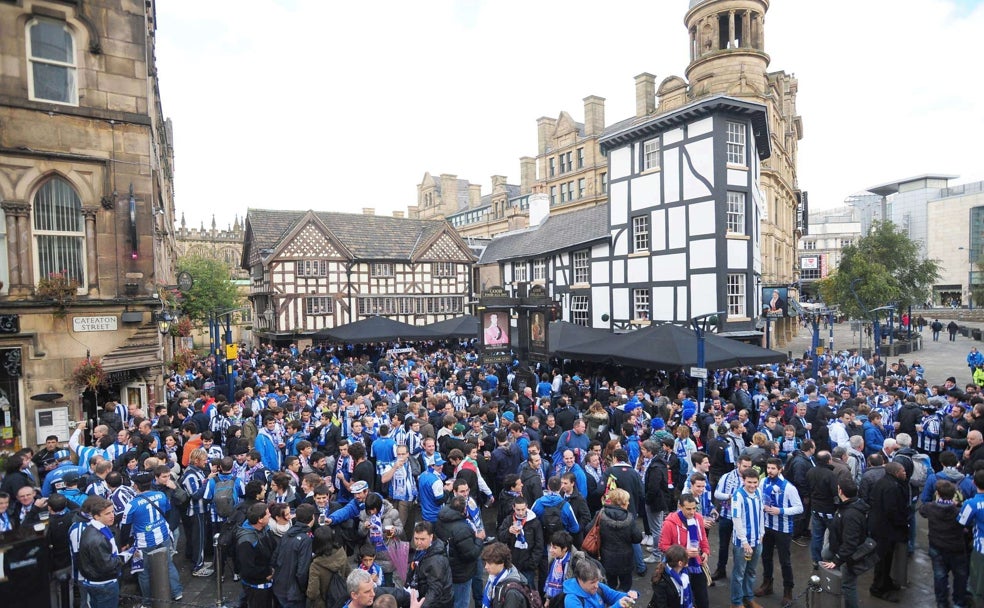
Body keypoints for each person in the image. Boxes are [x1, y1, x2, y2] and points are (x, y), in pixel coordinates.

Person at [120, 471, 183, 603]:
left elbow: (125, 527)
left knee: (143, 572)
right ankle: (177, 592)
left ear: (136, 485)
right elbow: (167, 511)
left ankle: (148, 601)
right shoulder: (160, 495)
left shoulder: (132, 505)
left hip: (144, 542)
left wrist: (124, 543)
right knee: (168, 564)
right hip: (163, 535)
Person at [756, 458, 802, 605]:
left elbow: (799, 508)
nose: (770, 471)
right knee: (766, 557)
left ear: (780, 469)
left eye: (773, 468)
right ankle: (767, 583)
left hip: (783, 529)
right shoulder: (763, 482)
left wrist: (780, 510)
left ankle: (788, 590)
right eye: (768, 468)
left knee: (785, 561)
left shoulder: (789, 487)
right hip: (767, 526)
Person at [919, 479, 969, 608]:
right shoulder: (959, 511)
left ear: (937, 493)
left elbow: (922, 510)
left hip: (937, 546)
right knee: (960, 576)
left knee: (940, 576)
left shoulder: (930, 507)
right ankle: (959, 602)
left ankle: (942, 602)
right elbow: (967, 524)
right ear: (954, 495)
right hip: (956, 547)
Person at [820, 480, 869, 608]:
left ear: (841, 491)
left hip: (849, 555)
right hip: (839, 546)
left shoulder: (851, 514)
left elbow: (850, 543)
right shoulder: (847, 506)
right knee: (825, 553)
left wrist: (837, 560)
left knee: (848, 585)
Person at [658, 493, 710, 608]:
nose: (692, 512)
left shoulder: (698, 518)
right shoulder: (669, 523)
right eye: (688, 509)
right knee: (681, 599)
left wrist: (706, 551)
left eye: (694, 508)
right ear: (680, 507)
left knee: (702, 597)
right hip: (678, 566)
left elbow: (703, 538)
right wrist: (684, 553)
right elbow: (663, 546)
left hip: (696, 563)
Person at [868, 461, 910, 602]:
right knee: (882, 560)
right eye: (903, 471)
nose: (905, 473)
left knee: (886, 558)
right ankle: (878, 588)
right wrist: (903, 523)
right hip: (885, 530)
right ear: (896, 472)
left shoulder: (884, 482)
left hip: (881, 527)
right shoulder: (892, 487)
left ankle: (886, 582)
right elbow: (892, 510)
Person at [77, 497, 128, 608]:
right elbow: (107, 565)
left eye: (112, 512)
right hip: (103, 584)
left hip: (101, 581)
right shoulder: (96, 539)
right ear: (96, 516)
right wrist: (125, 556)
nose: (112, 516)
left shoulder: (100, 528)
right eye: (107, 514)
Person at [436, 495, 484, 608]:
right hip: (461, 573)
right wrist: (479, 540)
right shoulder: (462, 529)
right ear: (464, 509)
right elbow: (471, 554)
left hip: (446, 569)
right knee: (461, 603)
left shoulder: (441, 519)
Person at [729, 468, 765, 608]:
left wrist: (762, 533)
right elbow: (736, 519)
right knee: (739, 573)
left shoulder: (758, 492)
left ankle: (748, 598)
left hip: (757, 540)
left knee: (751, 571)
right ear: (743, 480)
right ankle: (736, 602)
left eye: (755, 482)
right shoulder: (738, 496)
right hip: (742, 543)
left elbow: (761, 513)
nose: (752, 485)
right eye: (749, 482)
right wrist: (744, 542)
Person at [598, 487, 643, 591]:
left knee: (610, 586)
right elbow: (637, 538)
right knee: (626, 586)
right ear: (622, 503)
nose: (628, 503)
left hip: (606, 557)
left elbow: (588, 529)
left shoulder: (601, 514)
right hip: (625, 560)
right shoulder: (629, 518)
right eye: (627, 501)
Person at [272, 503, 316, 608]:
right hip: (292, 595)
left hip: (279, 587)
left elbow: (274, 558)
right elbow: (302, 571)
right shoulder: (305, 540)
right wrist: (304, 590)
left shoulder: (288, 533)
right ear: (312, 518)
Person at [496, 495, 544, 589]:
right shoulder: (509, 520)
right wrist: (508, 531)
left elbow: (539, 545)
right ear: (513, 507)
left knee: (529, 590)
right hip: (512, 563)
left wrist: (531, 564)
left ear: (527, 506)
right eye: (518, 510)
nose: (521, 512)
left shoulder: (534, 522)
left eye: (523, 509)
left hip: (527, 565)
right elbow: (500, 537)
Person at [236, 503, 277, 608]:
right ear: (260, 519)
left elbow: (273, 548)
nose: (270, 515)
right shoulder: (246, 541)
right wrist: (268, 572)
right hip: (255, 586)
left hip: (266, 581)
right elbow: (248, 569)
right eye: (267, 514)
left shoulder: (265, 529)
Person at [409, 521, 454, 608]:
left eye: (422, 539)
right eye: (416, 538)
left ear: (431, 537)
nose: (418, 542)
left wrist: (421, 606)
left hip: (438, 604)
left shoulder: (436, 561)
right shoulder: (423, 550)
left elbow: (435, 590)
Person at [561, 558, 637, 608]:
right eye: (592, 582)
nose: (596, 585)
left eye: (598, 580)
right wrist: (616, 606)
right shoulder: (571, 600)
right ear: (580, 580)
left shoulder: (599, 587)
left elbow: (614, 596)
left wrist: (629, 596)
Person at [307, 526, 353, 608]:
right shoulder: (341, 552)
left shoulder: (316, 565)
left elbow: (313, 593)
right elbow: (350, 574)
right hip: (341, 599)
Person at [481, 541, 534, 608]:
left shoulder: (512, 593)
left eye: (489, 563)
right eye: (485, 563)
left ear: (501, 563)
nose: (486, 567)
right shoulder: (493, 580)